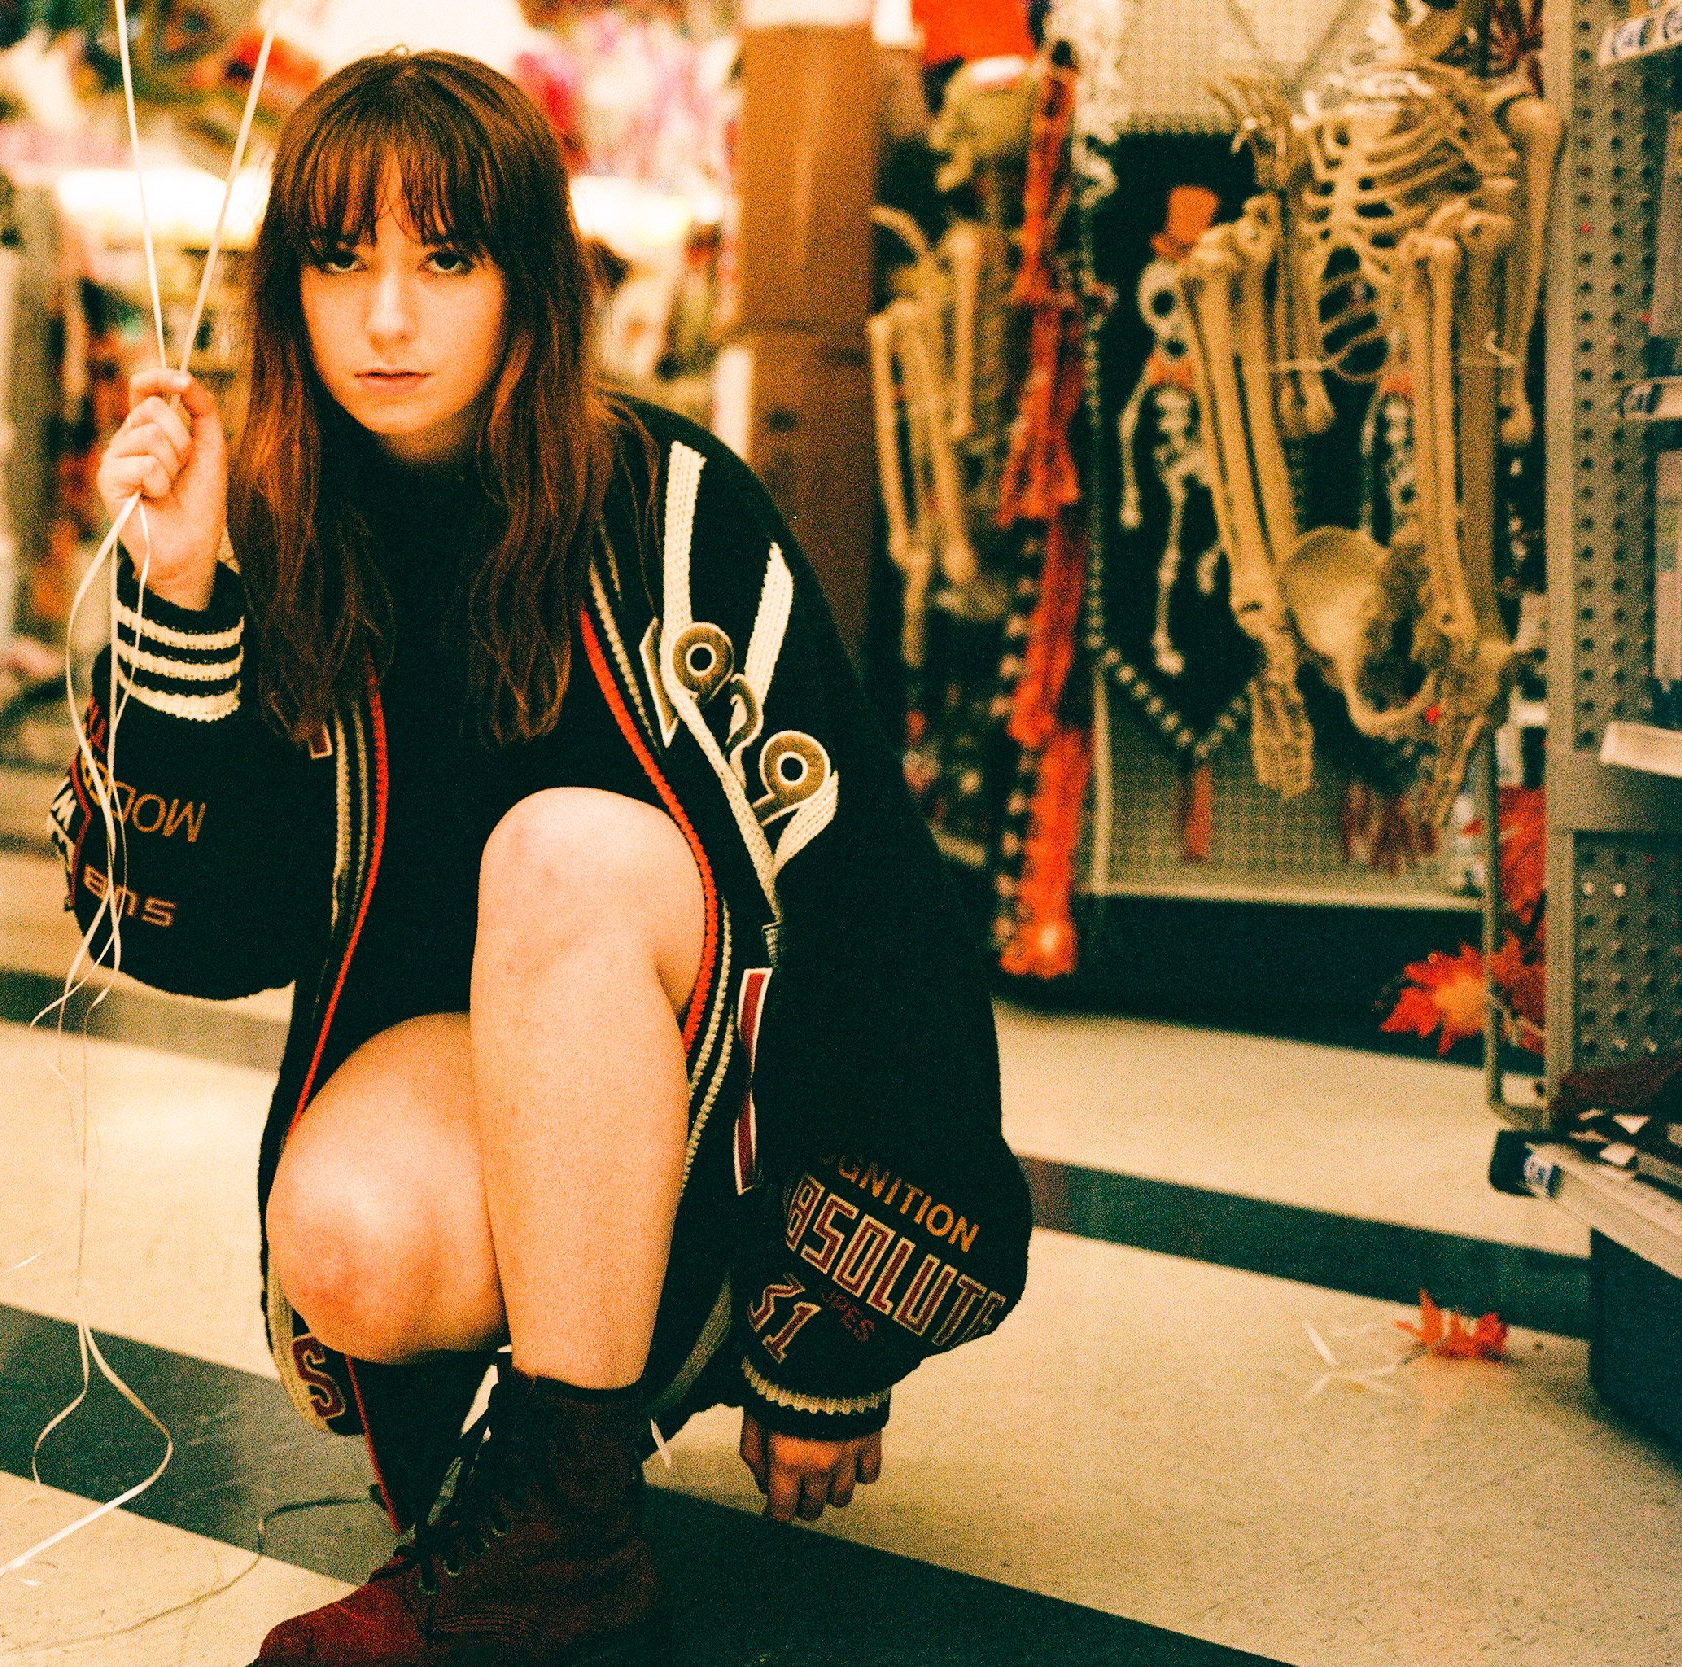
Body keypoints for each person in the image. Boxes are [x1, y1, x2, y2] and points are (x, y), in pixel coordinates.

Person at [54, 49, 1030, 1667]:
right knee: (347, 1232)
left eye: (447, 259)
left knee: (563, 854)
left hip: (730, 1135)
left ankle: (561, 1529)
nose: (387, 318)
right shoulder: (277, 533)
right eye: (340, 260)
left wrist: (831, 1346)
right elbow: (187, 938)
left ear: (529, 280)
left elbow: (867, 902)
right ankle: (549, 1494)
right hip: (492, 1120)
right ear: (286, 289)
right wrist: (180, 595)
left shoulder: (672, 509)